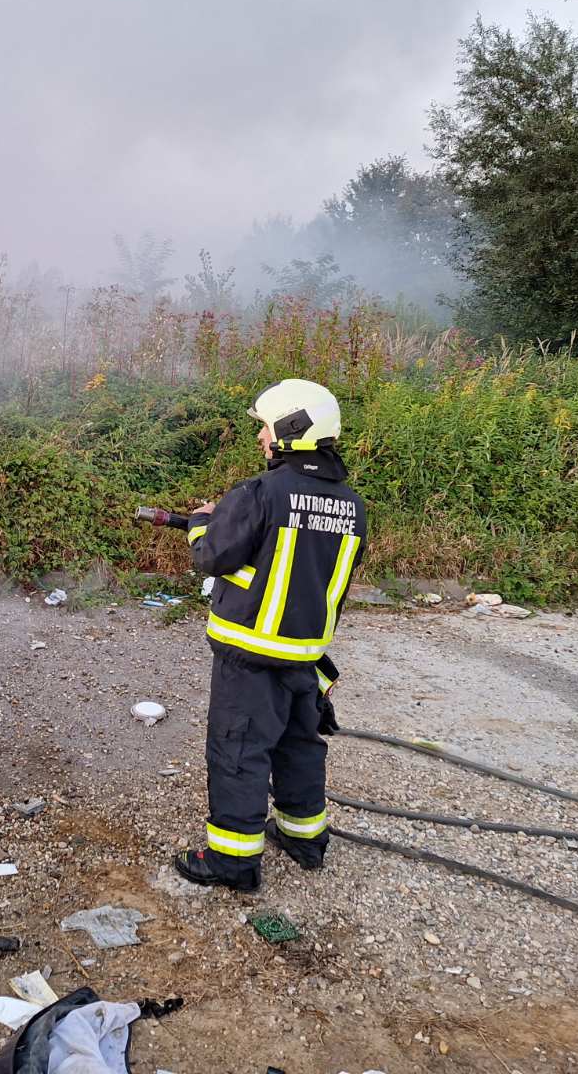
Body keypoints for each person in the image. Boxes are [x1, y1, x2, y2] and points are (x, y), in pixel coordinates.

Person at [173, 378, 367, 890]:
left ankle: (233, 862)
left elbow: (211, 556)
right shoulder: (351, 505)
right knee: (298, 745)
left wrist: (200, 523)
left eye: (265, 426)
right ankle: (305, 840)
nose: (261, 435)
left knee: (238, 752)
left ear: (290, 428)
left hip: (250, 657)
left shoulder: (260, 492)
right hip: (305, 659)